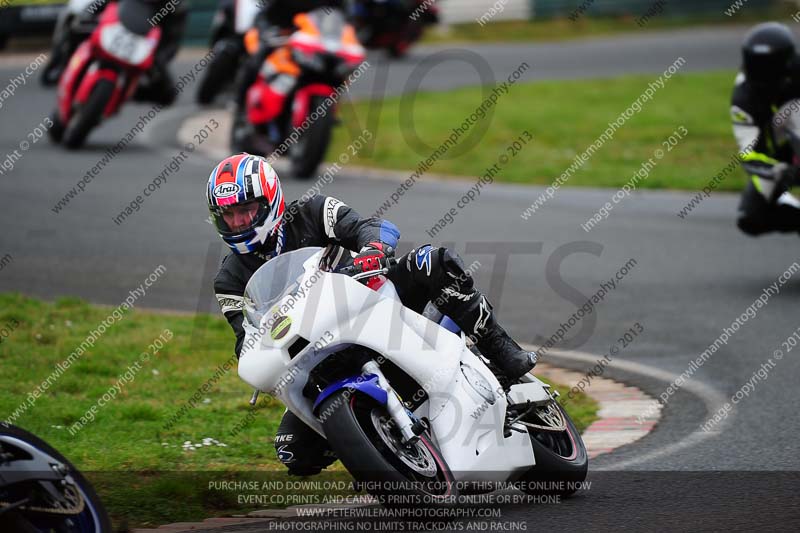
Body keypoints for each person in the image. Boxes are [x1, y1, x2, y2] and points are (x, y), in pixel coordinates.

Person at [208, 153, 538, 476]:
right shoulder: (229, 280)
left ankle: (501, 350)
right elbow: (245, 339)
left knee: (433, 261)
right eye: (228, 215)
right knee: (293, 450)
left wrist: (373, 249)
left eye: (246, 210)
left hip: (377, 302)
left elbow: (373, 227)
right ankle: (375, 447)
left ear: (270, 202)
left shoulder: (313, 211)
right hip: (314, 351)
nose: (237, 222)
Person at [229, 0, 347, 153]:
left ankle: (332, 111)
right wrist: (267, 31)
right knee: (257, 58)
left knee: (335, 69)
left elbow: (344, 21)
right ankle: (240, 104)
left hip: (315, 45)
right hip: (280, 37)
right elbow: (264, 14)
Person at [41, 0, 186, 106]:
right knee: (76, 29)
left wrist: (157, 59)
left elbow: (171, 43)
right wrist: (87, 16)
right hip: (111, 31)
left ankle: (127, 93)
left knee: (168, 95)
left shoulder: (175, 7)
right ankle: (65, 64)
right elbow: (99, 6)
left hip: (140, 48)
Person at [732, 22, 800, 236]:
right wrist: (778, 170)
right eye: (756, 66)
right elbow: (749, 152)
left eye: (768, 67)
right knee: (751, 217)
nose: (762, 75)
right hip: (780, 160)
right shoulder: (743, 97)